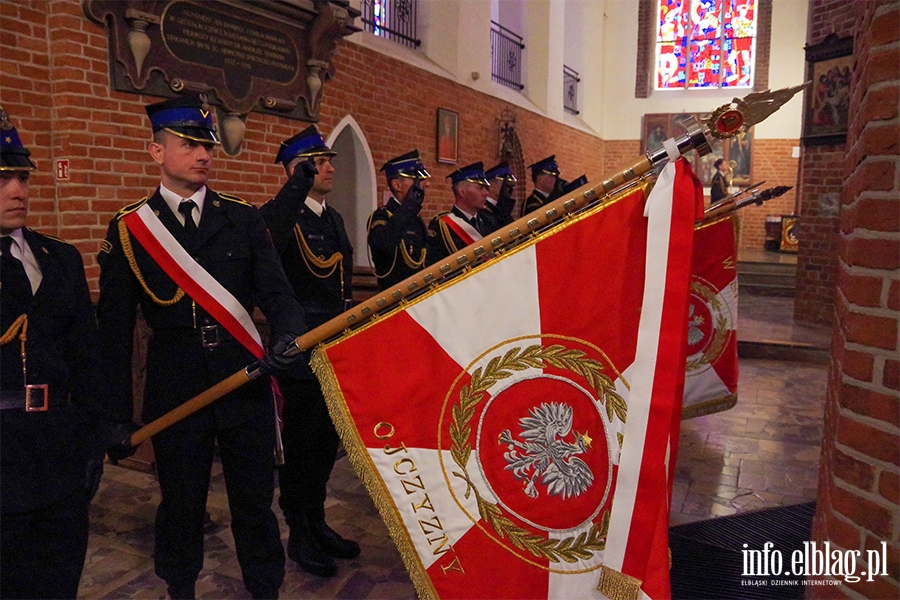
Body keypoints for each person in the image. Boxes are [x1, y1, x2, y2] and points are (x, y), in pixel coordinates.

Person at [96, 94, 305, 600]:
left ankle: (265, 589)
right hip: (176, 388)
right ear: (156, 152)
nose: (204, 154)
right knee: (180, 504)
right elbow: (113, 333)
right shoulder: (130, 230)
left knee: (255, 504)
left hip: (244, 381)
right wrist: (117, 417)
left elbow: (278, 293)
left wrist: (287, 337)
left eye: (207, 144)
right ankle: (181, 588)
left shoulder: (241, 219)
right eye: (189, 144)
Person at [0, 108, 110, 600]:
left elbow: (87, 359)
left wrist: (92, 443)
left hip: (58, 449)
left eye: (21, 177)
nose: (18, 191)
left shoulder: (59, 258)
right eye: (2, 180)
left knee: (58, 577)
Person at [259, 126, 359, 579]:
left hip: (334, 346)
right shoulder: (281, 215)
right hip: (300, 349)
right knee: (300, 448)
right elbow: (270, 246)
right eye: (321, 162)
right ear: (298, 168)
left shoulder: (331, 218)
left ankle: (317, 522)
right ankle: (299, 532)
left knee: (325, 443)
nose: (331, 168)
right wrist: (292, 188)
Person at [367, 149, 430, 290]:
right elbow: (384, 244)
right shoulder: (382, 217)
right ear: (397, 185)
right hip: (393, 297)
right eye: (418, 179)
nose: (426, 184)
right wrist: (409, 207)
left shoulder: (415, 218)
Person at [425, 161, 499, 266]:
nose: (486, 193)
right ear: (462, 192)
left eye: (486, 188)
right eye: (480, 187)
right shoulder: (443, 226)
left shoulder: (489, 220)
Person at [483, 161, 516, 226]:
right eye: (505, 184)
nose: (508, 189)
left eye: (510, 185)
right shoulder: (484, 211)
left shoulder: (502, 209)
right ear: (491, 185)